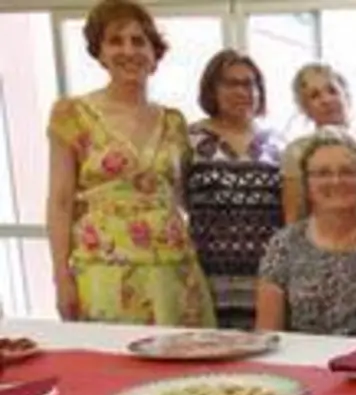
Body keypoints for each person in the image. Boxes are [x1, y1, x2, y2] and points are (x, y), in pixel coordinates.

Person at [45, 0, 214, 327]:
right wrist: (60, 278)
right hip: (103, 269)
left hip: (172, 268)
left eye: (139, 41)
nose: (129, 50)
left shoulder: (174, 122)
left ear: (154, 53)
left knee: (183, 370)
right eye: (115, 41)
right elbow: (60, 201)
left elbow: (182, 197)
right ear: (100, 52)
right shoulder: (72, 114)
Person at [257, 134, 356, 336]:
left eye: (347, 172)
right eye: (322, 173)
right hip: (301, 363)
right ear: (307, 185)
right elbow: (268, 334)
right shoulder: (284, 244)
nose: (336, 181)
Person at [186, 49, 286, 329]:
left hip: (266, 280)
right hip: (208, 278)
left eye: (250, 83)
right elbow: (177, 200)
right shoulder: (189, 140)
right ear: (211, 89)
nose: (243, 91)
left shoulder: (278, 144)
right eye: (231, 83)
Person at [280, 63, 356, 224]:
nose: (326, 100)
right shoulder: (296, 151)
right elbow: (293, 217)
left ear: (346, 95)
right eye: (314, 96)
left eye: (333, 91)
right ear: (305, 108)